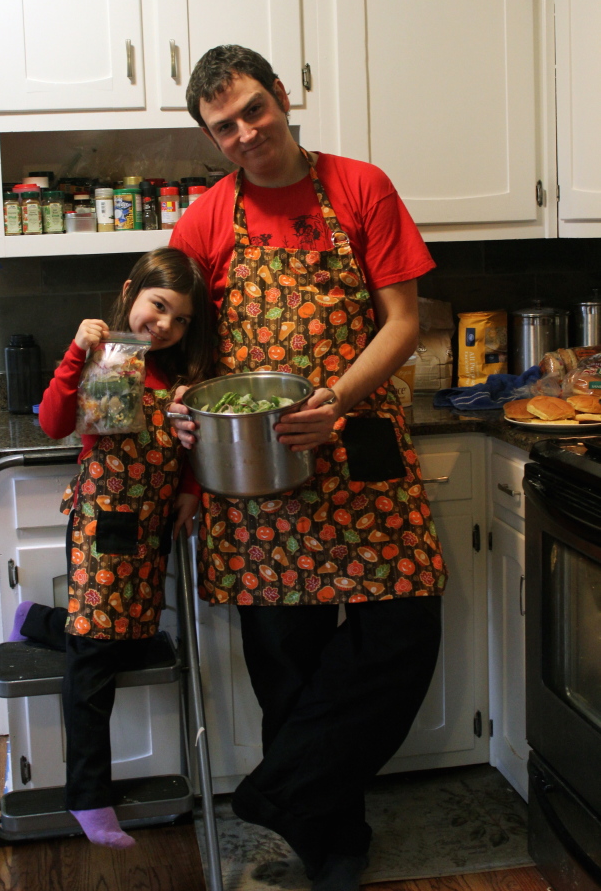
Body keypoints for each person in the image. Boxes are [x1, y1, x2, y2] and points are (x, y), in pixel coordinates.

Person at [169, 45, 449, 890]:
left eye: (255, 109)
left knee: (402, 632)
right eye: (225, 126)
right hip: (254, 472)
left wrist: (338, 398)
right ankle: (332, 839)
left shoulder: (360, 186)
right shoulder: (205, 222)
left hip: (358, 447)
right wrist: (178, 410)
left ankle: (277, 790)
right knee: (284, 657)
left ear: (282, 96)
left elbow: (405, 320)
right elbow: (177, 342)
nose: (247, 132)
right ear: (211, 137)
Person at [7, 248, 213, 849]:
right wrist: (75, 353)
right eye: (158, 307)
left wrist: (192, 490)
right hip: (100, 526)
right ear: (131, 293)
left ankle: (40, 622)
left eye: (179, 319)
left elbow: (189, 449)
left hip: (149, 528)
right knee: (94, 665)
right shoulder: (104, 358)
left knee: (130, 640)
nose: (166, 326)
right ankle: (89, 799)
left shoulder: (179, 377)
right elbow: (51, 423)